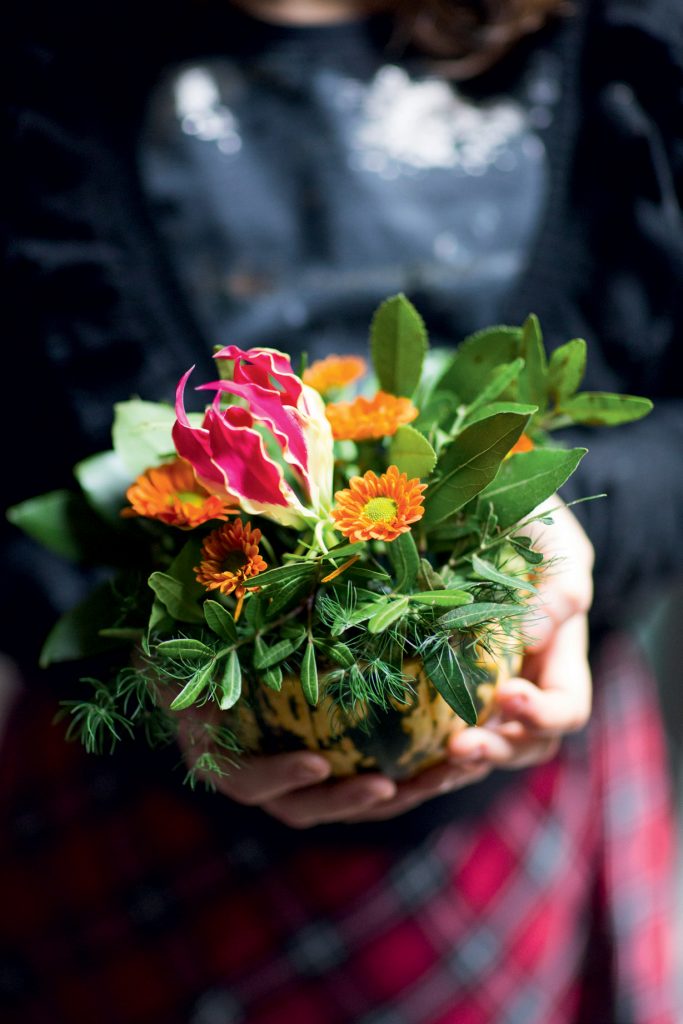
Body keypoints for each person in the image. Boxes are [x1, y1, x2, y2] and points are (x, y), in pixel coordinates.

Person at [2, 0, 681, 1021]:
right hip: (125, 817)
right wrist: (148, 662)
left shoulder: (634, 41)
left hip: (508, 828)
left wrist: (574, 525)